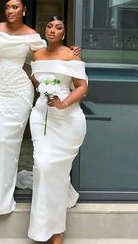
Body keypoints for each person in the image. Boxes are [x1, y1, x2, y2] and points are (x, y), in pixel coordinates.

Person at [0, 0, 81, 215]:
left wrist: (72, 55)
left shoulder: (33, 35)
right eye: (7, 7)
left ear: (23, 10)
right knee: (0, 139)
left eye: (15, 7)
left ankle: (7, 187)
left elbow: (46, 58)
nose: (10, 10)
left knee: (11, 142)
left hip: (20, 91)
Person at [28, 16, 88, 244]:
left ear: (64, 33)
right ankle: (48, 228)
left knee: (57, 172)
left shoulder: (71, 55)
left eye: (59, 27)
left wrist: (63, 102)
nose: (53, 30)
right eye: (50, 26)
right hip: (42, 116)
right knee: (43, 166)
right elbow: (36, 80)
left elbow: (82, 87)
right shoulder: (37, 55)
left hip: (69, 119)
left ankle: (56, 231)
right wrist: (46, 94)